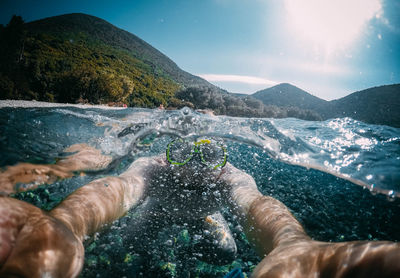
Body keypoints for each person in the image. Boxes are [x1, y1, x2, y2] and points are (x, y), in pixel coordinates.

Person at [0, 139, 399, 277]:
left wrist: (291, 244)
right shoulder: (152, 167)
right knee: (132, 252)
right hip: (153, 213)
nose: (192, 168)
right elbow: (117, 188)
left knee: (225, 252)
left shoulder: (231, 175)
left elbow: (258, 205)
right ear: (168, 154)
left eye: (206, 154)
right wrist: (67, 221)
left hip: (208, 219)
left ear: (221, 157)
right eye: (182, 154)